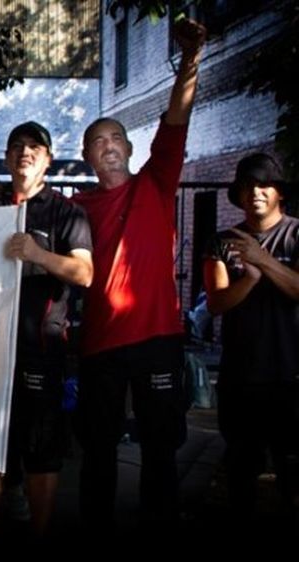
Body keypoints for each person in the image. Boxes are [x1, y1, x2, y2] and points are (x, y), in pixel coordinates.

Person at [72, 18, 207, 534]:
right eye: (97, 141)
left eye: (115, 138)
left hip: (158, 339)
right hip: (100, 344)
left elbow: (176, 120)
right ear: (87, 157)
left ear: (129, 149)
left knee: (160, 443)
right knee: (98, 446)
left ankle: (160, 521)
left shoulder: (157, 181)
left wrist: (190, 60)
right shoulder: (75, 208)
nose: (107, 145)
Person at [0, 122, 92, 548]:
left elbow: (85, 273)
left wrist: (38, 254)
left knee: (43, 451)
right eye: (17, 147)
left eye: (35, 147)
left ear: (48, 159)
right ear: (6, 159)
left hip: (41, 349)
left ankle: (38, 540)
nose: (25, 152)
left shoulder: (66, 211)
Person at [202, 153, 299, 524]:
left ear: (279, 193)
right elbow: (216, 303)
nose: (255, 192)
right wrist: (250, 278)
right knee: (241, 473)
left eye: (264, 185)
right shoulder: (222, 241)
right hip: (241, 377)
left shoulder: (296, 233)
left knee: (293, 471)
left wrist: (264, 261)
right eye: (247, 186)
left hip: (291, 376)